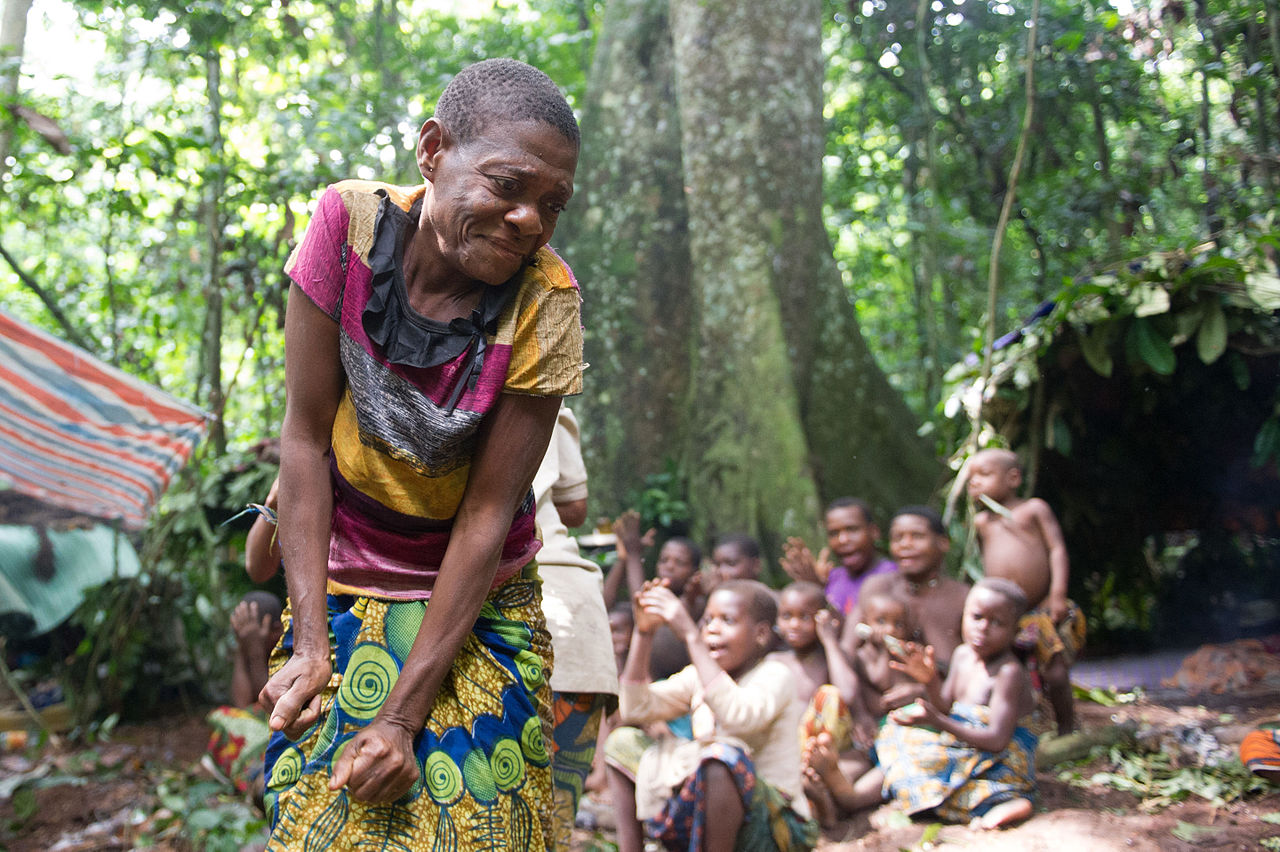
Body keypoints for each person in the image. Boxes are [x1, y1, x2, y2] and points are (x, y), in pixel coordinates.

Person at [257, 58, 583, 850]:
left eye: (552, 203)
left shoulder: (547, 303)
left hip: (477, 596)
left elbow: (485, 516)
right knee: (326, 819)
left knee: (486, 825)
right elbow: (304, 440)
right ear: (433, 150)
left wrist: (402, 717)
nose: (530, 220)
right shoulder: (347, 227)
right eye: (508, 185)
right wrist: (310, 644)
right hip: (344, 573)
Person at [606, 579, 817, 852]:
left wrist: (690, 635)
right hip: (712, 814)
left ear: (761, 634)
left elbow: (739, 716)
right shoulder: (698, 676)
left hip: (774, 825)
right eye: (707, 621)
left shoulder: (775, 674)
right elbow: (634, 709)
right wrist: (644, 634)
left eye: (727, 620)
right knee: (621, 743)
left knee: (721, 759)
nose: (712, 629)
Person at [864, 577, 1038, 830]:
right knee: (894, 732)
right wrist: (930, 680)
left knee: (929, 766)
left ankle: (1007, 801)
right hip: (966, 743)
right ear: (963, 616)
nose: (983, 628)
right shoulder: (962, 654)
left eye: (997, 622)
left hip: (1000, 759)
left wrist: (938, 721)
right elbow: (945, 705)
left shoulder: (1008, 672)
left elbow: (997, 740)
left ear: (1015, 630)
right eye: (977, 617)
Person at [532, 404, 620, 845]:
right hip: (573, 615)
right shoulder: (545, 389)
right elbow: (574, 506)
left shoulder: (394, 381)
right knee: (551, 826)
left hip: (514, 607)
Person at [968, 447, 1082, 735]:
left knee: (1055, 672)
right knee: (1011, 674)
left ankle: (1067, 728)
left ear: (1013, 478)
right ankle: (1021, 731)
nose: (975, 482)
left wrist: (1057, 593)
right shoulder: (981, 523)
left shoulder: (1033, 510)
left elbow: (1056, 549)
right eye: (971, 478)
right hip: (1006, 616)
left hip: (1041, 608)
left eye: (984, 475)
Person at [841, 507, 969, 673]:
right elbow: (847, 652)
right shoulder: (877, 588)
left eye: (917, 536)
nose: (905, 544)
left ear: (943, 543)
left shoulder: (962, 597)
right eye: (897, 538)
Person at [781, 498, 896, 616]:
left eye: (852, 530)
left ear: (874, 532)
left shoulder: (893, 577)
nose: (842, 540)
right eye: (834, 533)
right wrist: (814, 588)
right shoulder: (831, 578)